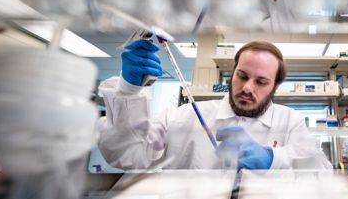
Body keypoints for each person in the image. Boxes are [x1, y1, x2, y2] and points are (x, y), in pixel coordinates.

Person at [97, 40, 332, 170]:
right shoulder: (183, 117)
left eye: (261, 82)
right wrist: (128, 90)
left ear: (275, 87)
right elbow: (124, 155)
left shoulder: (290, 121)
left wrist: (273, 158)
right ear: (232, 74)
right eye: (242, 76)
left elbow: (322, 173)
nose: (248, 87)